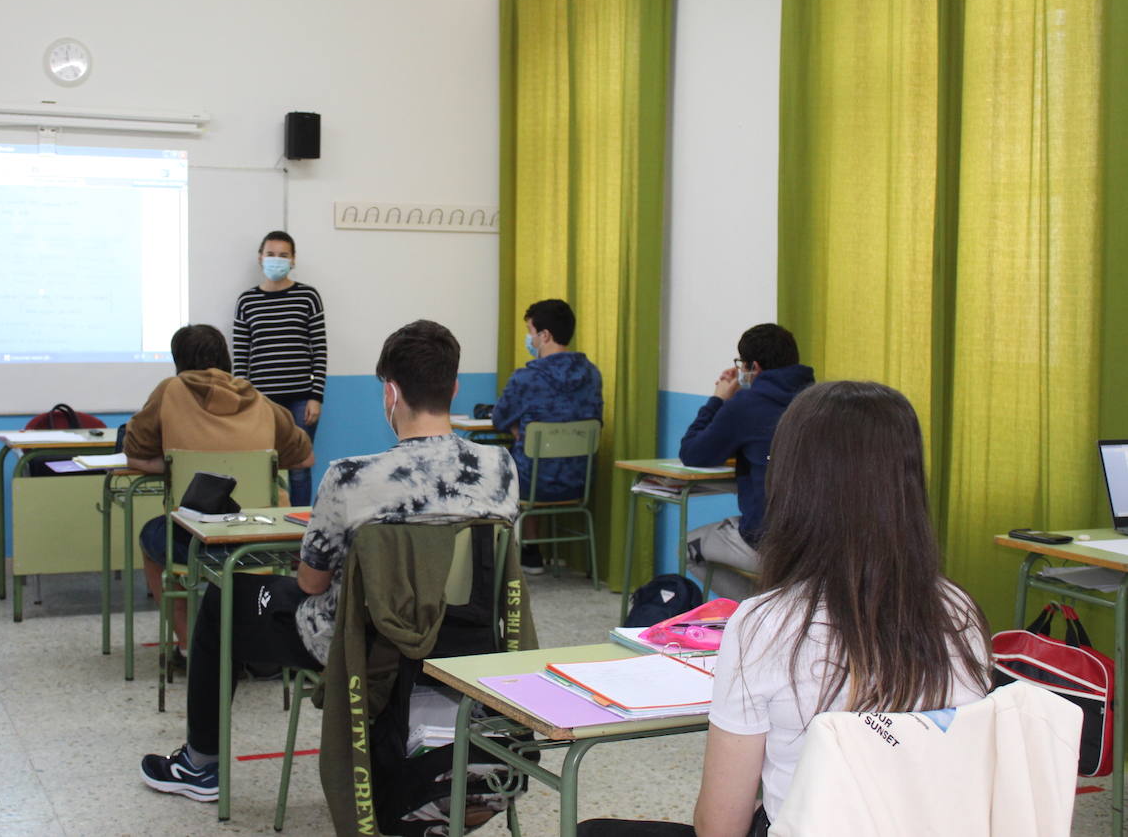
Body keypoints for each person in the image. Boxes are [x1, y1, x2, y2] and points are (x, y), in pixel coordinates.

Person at [580, 382, 992, 837]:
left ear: (794, 483)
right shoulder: (960, 613)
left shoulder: (765, 624)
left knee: (592, 831)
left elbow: (720, 828)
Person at [139, 319, 520, 803]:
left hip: (360, 641)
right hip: (466, 635)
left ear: (391, 393)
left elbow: (312, 582)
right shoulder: (501, 468)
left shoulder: (350, 478)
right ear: (455, 387)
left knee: (224, 598)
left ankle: (200, 764)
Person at [124, 324, 314, 661]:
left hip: (197, 540)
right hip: (263, 542)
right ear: (226, 358)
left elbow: (135, 452)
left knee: (151, 538)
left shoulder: (170, 391)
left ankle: (188, 647)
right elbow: (305, 456)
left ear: (178, 361)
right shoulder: (257, 398)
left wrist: (173, 466)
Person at [678, 323, 813, 599]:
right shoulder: (818, 400)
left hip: (766, 541)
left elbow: (693, 452)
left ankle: (757, 611)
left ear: (754, 367)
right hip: (816, 540)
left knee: (687, 548)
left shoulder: (747, 405)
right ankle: (774, 607)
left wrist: (718, 400)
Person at [490, 299, 603, 574]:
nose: (529, 338)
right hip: (579, 479)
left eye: (530, 331)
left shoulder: (526, 378)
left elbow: (499, 418)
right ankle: (532, 550)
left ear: (544, 335)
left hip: (533, 481)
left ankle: (521, 554)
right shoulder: (592, 374)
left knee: (516, 458)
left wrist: (520, 430)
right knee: (535, 450)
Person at [232, 230, 327, 507]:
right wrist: (242, 401)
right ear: (260, 258)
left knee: (299, 467)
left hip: (301, 399)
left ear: (293, 260)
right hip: (260, 401)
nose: (276, 260)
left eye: (283, 255)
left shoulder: (308, 296)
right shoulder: (246, 301)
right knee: (263, 466)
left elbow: (319, 349)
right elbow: (240, 356)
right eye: (271, 254)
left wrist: (316, 396)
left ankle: (298, 530)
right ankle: (265, 528)